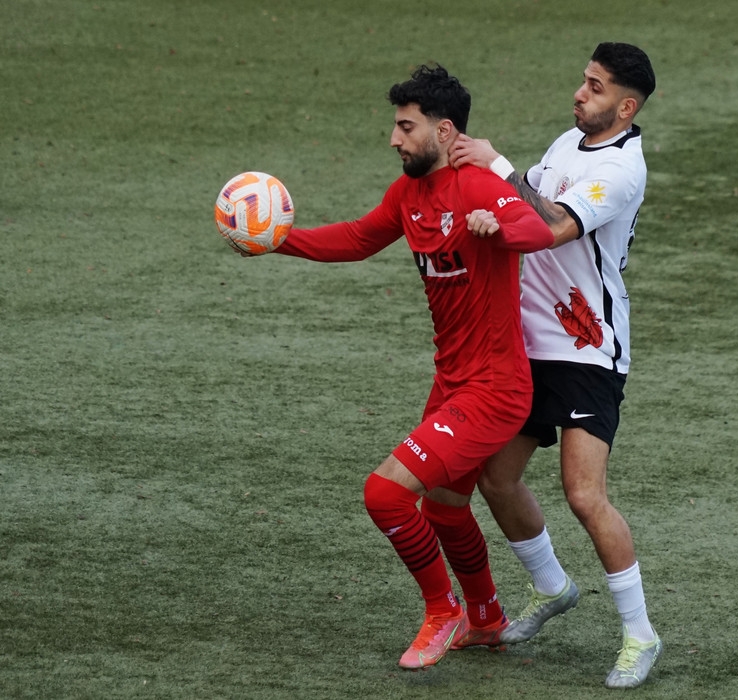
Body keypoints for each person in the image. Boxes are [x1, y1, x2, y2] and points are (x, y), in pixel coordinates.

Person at [240, 65, 555, 669]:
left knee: (384, 494)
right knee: (443, 509)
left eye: (406, 127)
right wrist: (277, 239)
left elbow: (537, 229)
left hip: (495, 390)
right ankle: (487, 619)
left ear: (444, 131)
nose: (394, 139)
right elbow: (357, 238)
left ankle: (443, 611)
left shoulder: (477, 186)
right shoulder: (407, 196)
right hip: (453, 384)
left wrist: (499, 225)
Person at [449, 42, 660, 688]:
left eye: (596, 87)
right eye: (583, 80)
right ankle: (552, 587)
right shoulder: (569, 142)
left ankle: (640, 634)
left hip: (587, 350)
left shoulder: (621, 169)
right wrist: (489, 204)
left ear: (625, 107)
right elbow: (525, 202)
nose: (580, 92)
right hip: (529, 346)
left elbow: (551, 226)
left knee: (584, 494)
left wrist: (496, 164)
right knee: (496, 477)